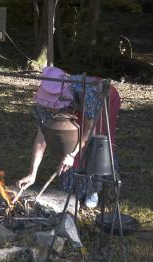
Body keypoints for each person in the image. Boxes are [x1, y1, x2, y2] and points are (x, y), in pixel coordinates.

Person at [16, 66, 121, 208]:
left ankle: (93, 189)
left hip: (102, 98)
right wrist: (32, 173)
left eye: (53, 106)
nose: (51, 109)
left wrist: (71, 155)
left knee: (97, 142)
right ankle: (76, 179)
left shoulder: (88, 93)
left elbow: (89, 131)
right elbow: (41, 139)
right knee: (68, 185)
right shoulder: (45, 103)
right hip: (75, 106)